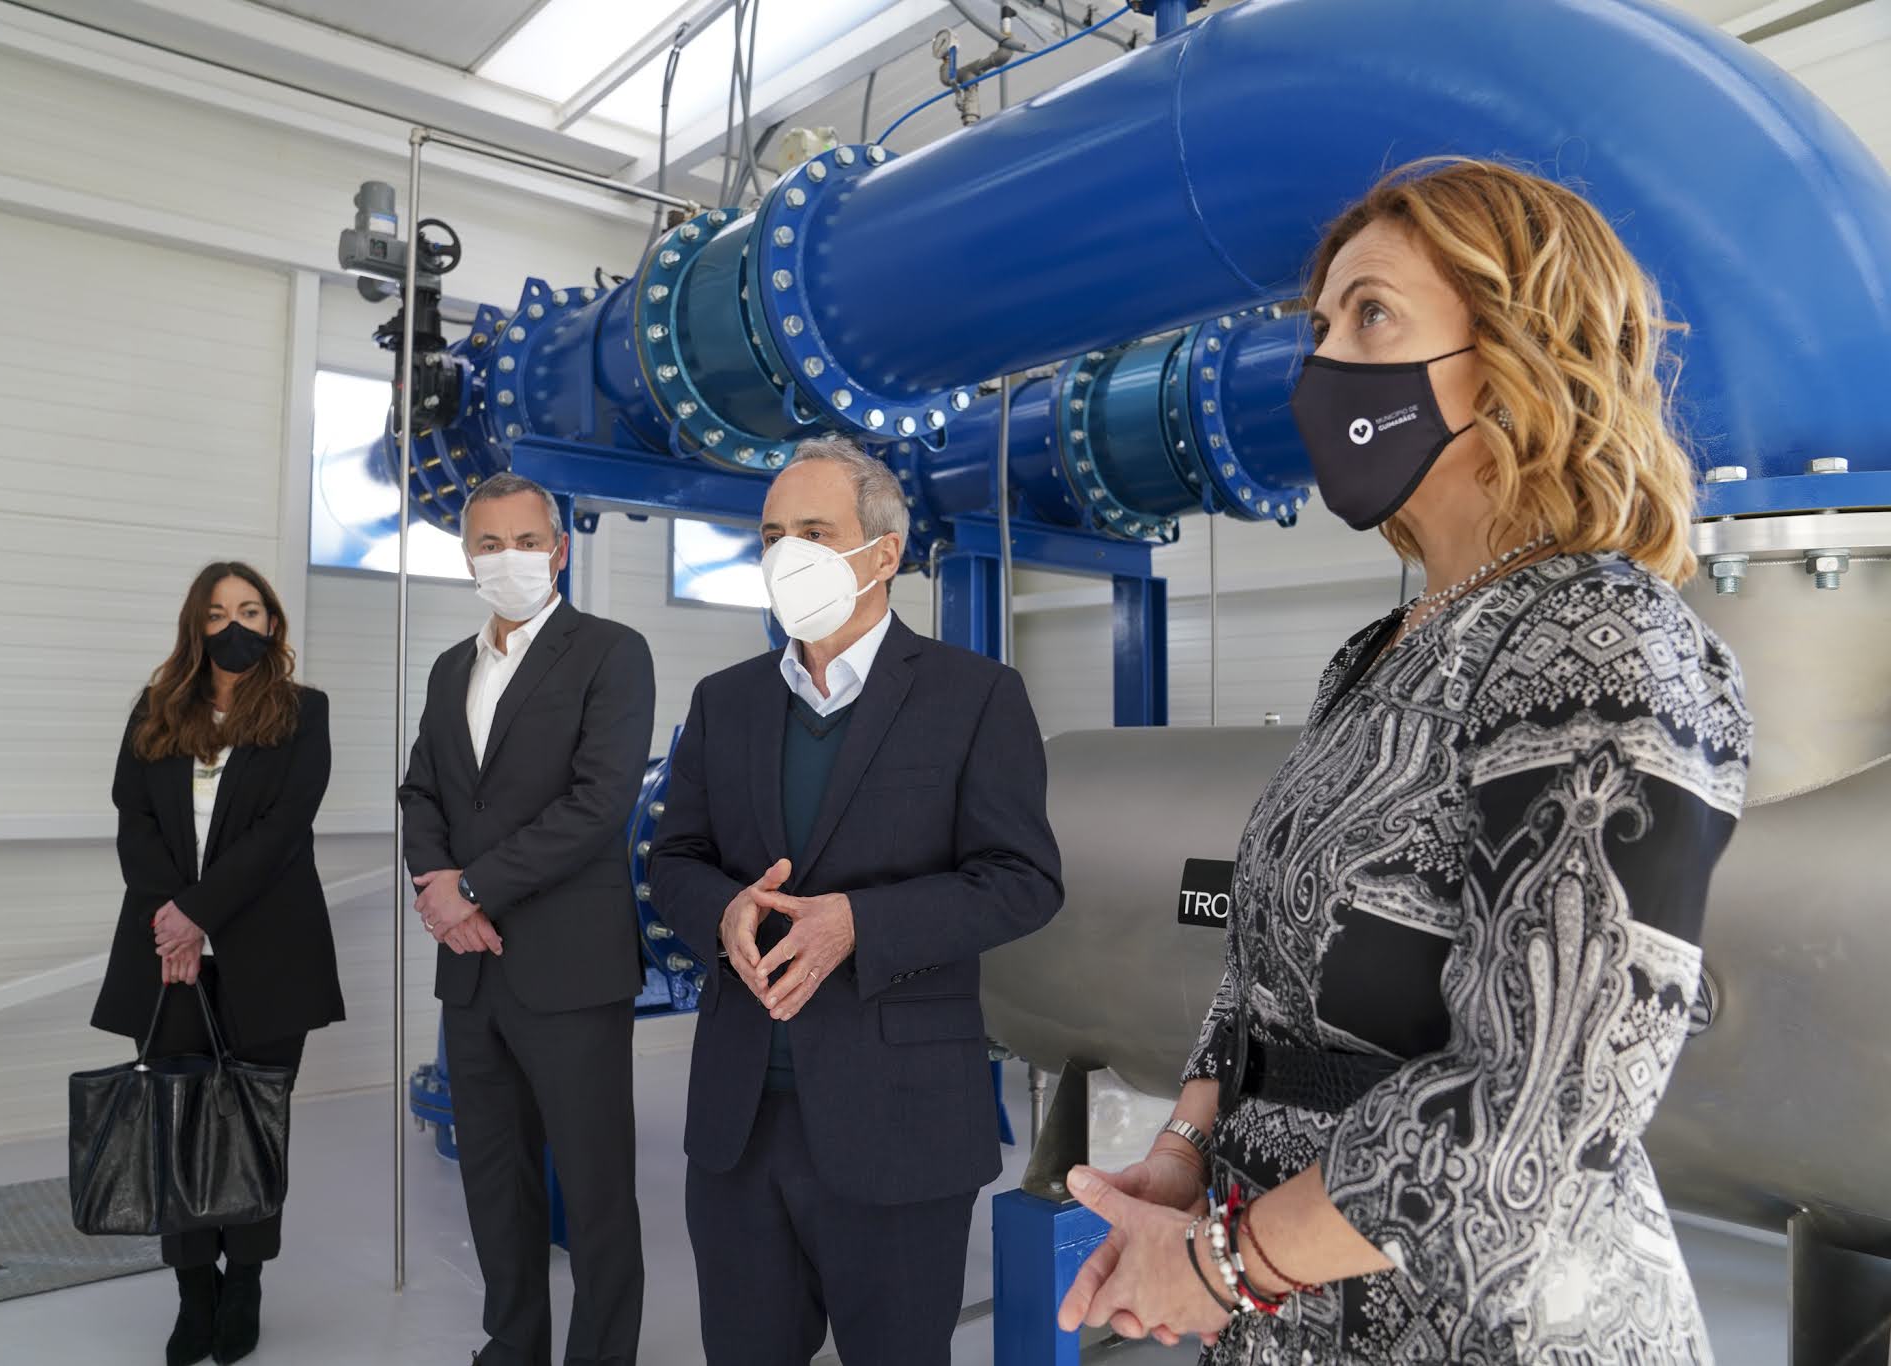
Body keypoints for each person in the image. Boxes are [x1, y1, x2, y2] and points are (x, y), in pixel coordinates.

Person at [1055, 157, 1754, 1364]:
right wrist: (1184, 1151)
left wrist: (1225, 1265)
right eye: (1319, 327)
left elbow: (1545, 1101)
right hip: (1290, 1293)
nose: (1322, 362)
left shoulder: (1597, 636)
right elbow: (1261, 967)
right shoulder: (1376, 652)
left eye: (1369, 313)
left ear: (1523, 351)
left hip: (1489, 1319)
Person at [649, 436, 1065, 1366]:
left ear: (884, 554)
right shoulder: (724, 702)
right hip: (741, 1121)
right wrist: (722, 911)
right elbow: (675, 857)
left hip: (900, 1123)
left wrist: (860, 924)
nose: (786, 554)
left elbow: (1023, 880)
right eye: (771, 535)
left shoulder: (975, 697)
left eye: (814, 531)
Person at [398, 472, 655, 1366]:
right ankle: (512, 1345)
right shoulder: (450, 669)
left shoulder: (611, 653)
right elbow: (422, 791)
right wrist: (439, 886)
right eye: (489, 544)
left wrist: (470, 890)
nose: (508, 558)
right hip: (473, 974)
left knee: (595, 1189)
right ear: (467, 557)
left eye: (526, 542)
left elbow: (599, 802)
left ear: (560, 550)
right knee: (494, 1178)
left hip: (570, 970)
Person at [92, 561, 342, 1366]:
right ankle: (193, 1293)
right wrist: (175, 923)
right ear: (194, 626)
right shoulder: (156, 708)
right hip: (170, 956)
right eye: (217, 612)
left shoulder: (303, 711)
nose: (235, 624)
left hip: (269, 952)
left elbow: (282, 830)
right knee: (178, 1129)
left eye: (250, 610)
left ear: (272, 623)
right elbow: (134, 820)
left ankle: (246, 1285)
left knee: (253, 1128)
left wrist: (198, 913)